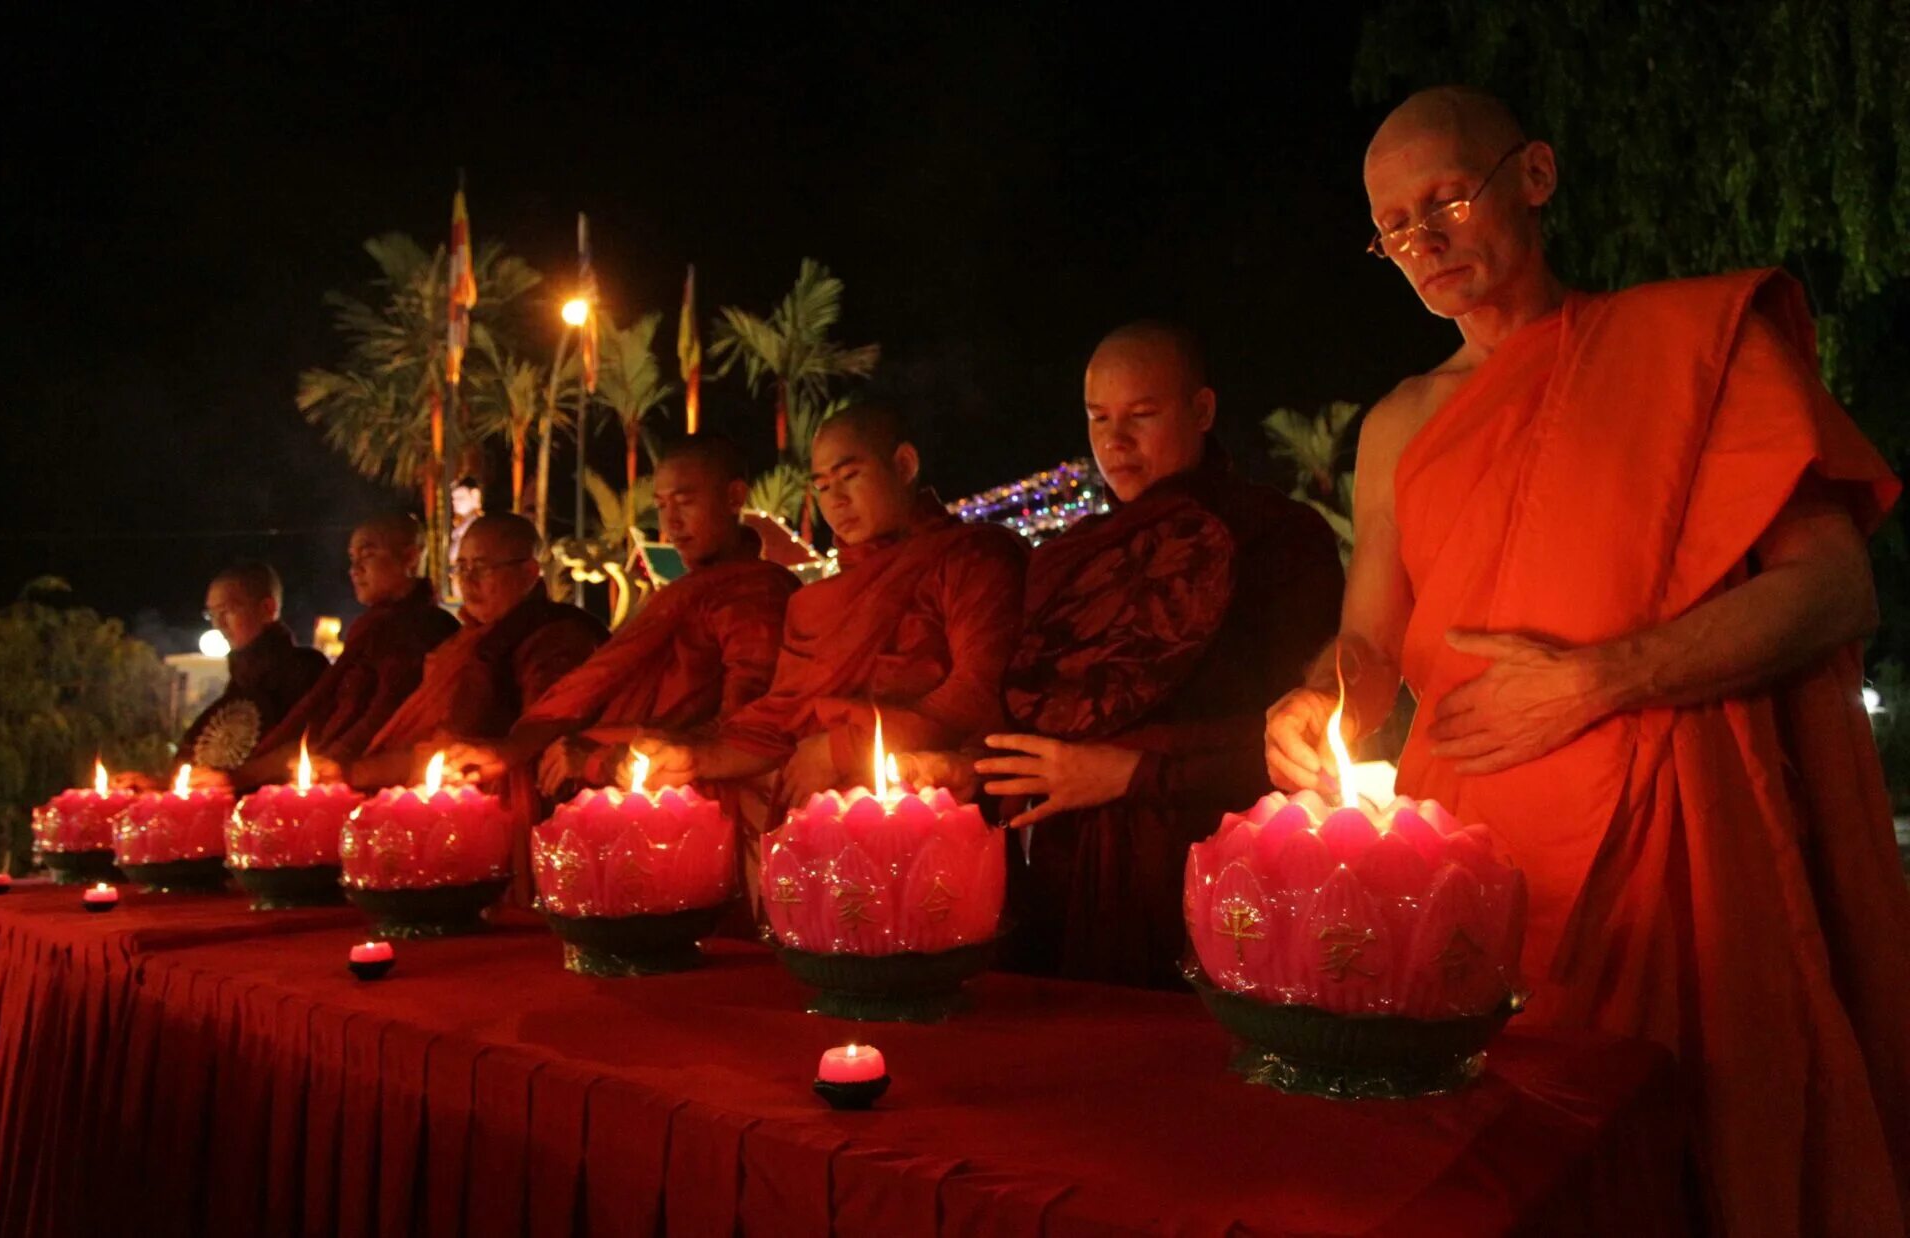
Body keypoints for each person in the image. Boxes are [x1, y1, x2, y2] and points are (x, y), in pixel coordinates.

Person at [1263, 86, 1910, 1233]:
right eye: (1396, 227)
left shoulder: (1693, 347)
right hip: (1473, 853)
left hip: (1685, 831)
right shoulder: (1403, 421)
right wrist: (1321, 698)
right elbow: (1371, 640)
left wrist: (1606, 678)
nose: (1427, 243)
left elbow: (1833, 587)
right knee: (1500, 1169)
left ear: (1536, 177)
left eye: (1449, 199)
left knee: (1703, 1154)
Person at [964, 322, 1342, 987]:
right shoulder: (1071, 553)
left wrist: (1130, 774)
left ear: (1202, 411)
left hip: (1218, 861)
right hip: (1066, 863)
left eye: (1142, 416)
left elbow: (1298, 740)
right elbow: (1025, 713)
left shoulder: (1276, 537)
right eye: (1098, 419)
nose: (1115, 441)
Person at [638, 404, 1027, 815]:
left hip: (932, 805)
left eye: (849, 477)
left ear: (904, 464)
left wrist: (843, 750)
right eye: (822, 487)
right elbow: (777, 724)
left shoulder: (973, 556)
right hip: (826, 823)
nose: (836, 501)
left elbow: (977, 693)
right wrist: (695, 758)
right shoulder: (816, 603)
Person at [444, 437, 798, 799]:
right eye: (661, 505)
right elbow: (581, 698)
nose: (671, 522)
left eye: (685, 502)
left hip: (690, 802)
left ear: (734, 497)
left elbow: (746, 730)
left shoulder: (755, 592)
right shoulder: (680, 596)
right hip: (625, 786)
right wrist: (511, 750)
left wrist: (601, 759)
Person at [344, 514, 605, 791]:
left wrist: (507, 751)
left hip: (491, 793)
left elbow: (550, 720)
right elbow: (428, 740)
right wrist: (350, 771)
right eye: (461, 567)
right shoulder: (463, 640)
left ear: (529, 572)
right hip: (432, 777)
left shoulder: (555, 635)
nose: (468, 580)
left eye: (482, 567)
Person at [232, 514, 459, 788]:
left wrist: (338, 760)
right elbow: (326, 709)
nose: (355, 569)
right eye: (352, 559)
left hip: (379, 778)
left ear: (410, 557)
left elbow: (386, 710)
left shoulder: (426, 626)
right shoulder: (372, 626)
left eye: (368, 554)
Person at [128, 562, 328, 791]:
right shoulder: (238, 686)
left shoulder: (305, 670)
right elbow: (194, 764)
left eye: (227, 611)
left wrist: (237, 779)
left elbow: (314, 744)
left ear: (267, 608)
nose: (218, 624)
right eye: (211, 614)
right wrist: (158, 785)